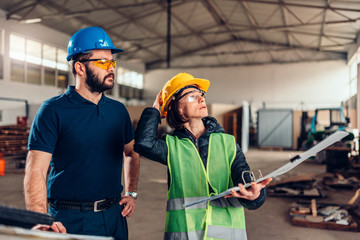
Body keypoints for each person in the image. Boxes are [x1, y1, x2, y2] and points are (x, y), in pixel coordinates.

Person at [24, 26, 140, 240]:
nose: (111, 68)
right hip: (69, 219)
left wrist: (131, 192)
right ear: (80, 67)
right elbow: (36, 170)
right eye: (103, 62)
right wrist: (41, 218)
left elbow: (131, 153)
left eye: (112, 62)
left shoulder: (118, 111)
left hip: (115, 216)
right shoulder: (53, 110)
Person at [134, 72, 272, 240]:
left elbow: (243, 177)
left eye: (202, 95)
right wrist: (155, 109)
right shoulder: (171, 146)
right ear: (175, 106)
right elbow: (143, 143)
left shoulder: (228, 142)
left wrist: (254, 195)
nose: (201, 99)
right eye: (192, 96)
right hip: (184, 234)